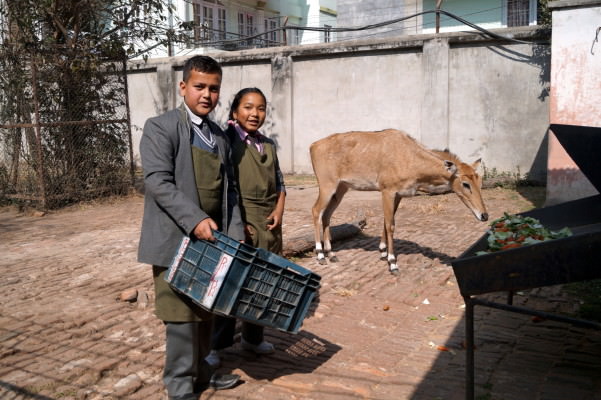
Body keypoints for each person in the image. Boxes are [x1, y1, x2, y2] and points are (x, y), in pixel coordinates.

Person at [137, 55, 245, 400]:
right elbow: (157, 181)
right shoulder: (161, 127)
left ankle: (203, 373)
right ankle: (180, 386)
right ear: (183, 87)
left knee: (206, 309)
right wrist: (195, 219)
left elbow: (230, 192)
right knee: (180, 316)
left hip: (213, 240)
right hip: (175, 238)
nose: (207, 95)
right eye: (199, 86)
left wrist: (236, 235)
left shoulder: (220, 137)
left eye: (214, 88)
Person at [205, 87, 286, 368]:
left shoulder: (269, 144)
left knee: (262, 283)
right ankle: (215, 344)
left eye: (261, 108)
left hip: (269, 223)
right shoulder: (226, 141)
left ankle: (253, 337)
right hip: (240, 221)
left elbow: (280, 184)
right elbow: (227, 188)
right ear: (235, 112)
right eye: (248, 107)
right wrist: (239, 225)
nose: (255, 114)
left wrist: (278, 211)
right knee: (230, 282)